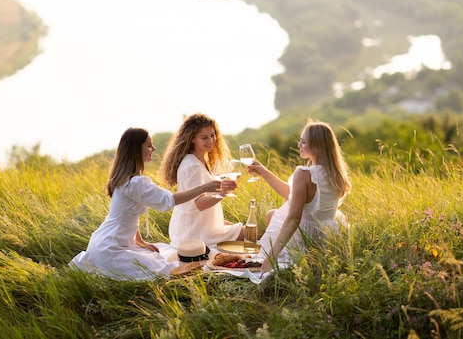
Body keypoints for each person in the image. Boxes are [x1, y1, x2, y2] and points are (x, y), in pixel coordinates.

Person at [70, 127, 236, 280]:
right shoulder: (136, 183)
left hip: (104, 241)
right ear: (136, 149)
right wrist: (204, 187)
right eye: (149, 145)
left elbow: (128, 216)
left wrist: (140, 241)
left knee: (159, 254)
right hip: (111, 248)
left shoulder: (124, 179)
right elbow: (169, 201)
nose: (153, 149)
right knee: (163, 270)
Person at [246, 119, 351, 275]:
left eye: (303, 142)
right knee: (272, 214)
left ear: (316, 146)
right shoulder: (336, 173)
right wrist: (264, 172)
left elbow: (294, 218)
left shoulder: (304, 173)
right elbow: (294, 195)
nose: (298, 146)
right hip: (326, 236)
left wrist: (271, 256)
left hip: (306, 237)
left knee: (274, 221)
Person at [159, 113, 244, 248]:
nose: (211, 141)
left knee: (234, 226)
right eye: (204, 137)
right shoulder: (192, 165)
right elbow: (200, 204)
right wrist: (223, 193)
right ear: (192, 138)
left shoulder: (199, 159)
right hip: (195, 233)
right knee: (250, 232)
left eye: (212, 135)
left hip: (196, 226)